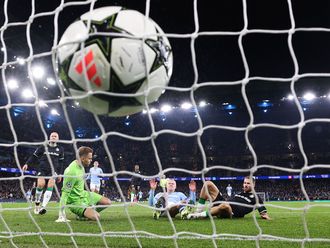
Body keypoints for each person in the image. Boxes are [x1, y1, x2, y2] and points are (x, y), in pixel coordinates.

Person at [56, 146, 111, 222]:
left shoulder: (82, 166)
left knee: (108, 202)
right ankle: (82, 214)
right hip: (74, 202)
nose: (91, 161)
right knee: (96, 217)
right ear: (82, 159)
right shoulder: (71, 172)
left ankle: (85, 212)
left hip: (84, 194)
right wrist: (61, 215)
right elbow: (65, 194)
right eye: (89, 158)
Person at [187, 176, 271, 220]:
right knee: (208, 184)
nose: (245, 185)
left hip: (231, 212)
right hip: (224, 202)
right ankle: (198, 210)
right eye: (244, 182)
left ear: (253, 184)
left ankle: (197, 216)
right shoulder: (241, 193)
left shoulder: (256, 198)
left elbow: (263, 213)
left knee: (225, 205)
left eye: (248, 183)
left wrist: (266, 216)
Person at [22, 132, 64, 215]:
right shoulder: (43, 147)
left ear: (58, 139)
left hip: (53, 170)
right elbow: (34, 156)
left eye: (55, 136)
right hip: (42, 169)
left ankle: (43, 207)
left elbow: (61, 162)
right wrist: (27, 163)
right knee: (41, 184)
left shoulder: (61, 149)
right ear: (49, 137)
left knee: (50, 186)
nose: (54, 137)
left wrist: (60, 174)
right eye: (52, 136)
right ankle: (37, 203)